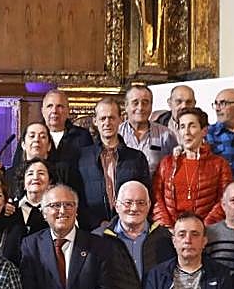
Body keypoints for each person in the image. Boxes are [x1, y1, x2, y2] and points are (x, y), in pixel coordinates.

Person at [77, 97, 150, 230]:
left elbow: (146, 195)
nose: (107, 123)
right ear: (95, 121)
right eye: (102, 118)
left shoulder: (136, 158)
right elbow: (78, 197)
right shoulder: (82, 158)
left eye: (111, 118)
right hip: (92, 230)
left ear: (121, 119)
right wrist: (96, 224)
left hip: (129, 228)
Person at [153, 107, 232, 227]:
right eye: (182, 127)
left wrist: (202, 228)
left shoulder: (219, 164)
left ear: (204, 131)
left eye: (192, 126)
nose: (186, 132)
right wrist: (168, 227)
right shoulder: (166, 163)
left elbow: (224, 201)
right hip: (170, 232)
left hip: (208, 231)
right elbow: (156, 198)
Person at [119, 84, 177, 176]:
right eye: (135, 103)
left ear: (151, 106)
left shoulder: (166, 135)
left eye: (145, 103)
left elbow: (175, 167)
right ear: (126, 106)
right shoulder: (117, 134)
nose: (140, 107)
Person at [40, 89, 93, 164]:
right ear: (42, 111)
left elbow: (89, 168)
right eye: (49, 106)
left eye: (59, 106)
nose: (54, 111)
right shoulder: (31, 136)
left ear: (68, 111)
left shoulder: (82, 136)